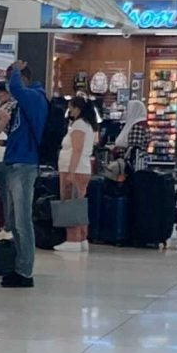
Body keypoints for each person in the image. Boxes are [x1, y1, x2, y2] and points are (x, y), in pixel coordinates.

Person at [0, 56, 50, 288]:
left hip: (24, 166)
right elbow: (20, 134)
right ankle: (20, 266)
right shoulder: (26, 103)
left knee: (22, 220)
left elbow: (17, 86)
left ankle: (25, 270)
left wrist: (16, 69)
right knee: (15, 220)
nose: (11, 87)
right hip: (16, 161)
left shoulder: (35, 98)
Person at [57, 96, 99, 243]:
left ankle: (72, 239)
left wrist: (71, 172)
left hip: (75, 169)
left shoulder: (79, 125)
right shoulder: (87, 125)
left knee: (70, 203)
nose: (70, 111)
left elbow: (77, 149)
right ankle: (81, 238)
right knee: (79, 204)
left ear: (77, 108)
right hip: (82, 168)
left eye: (71, 108)